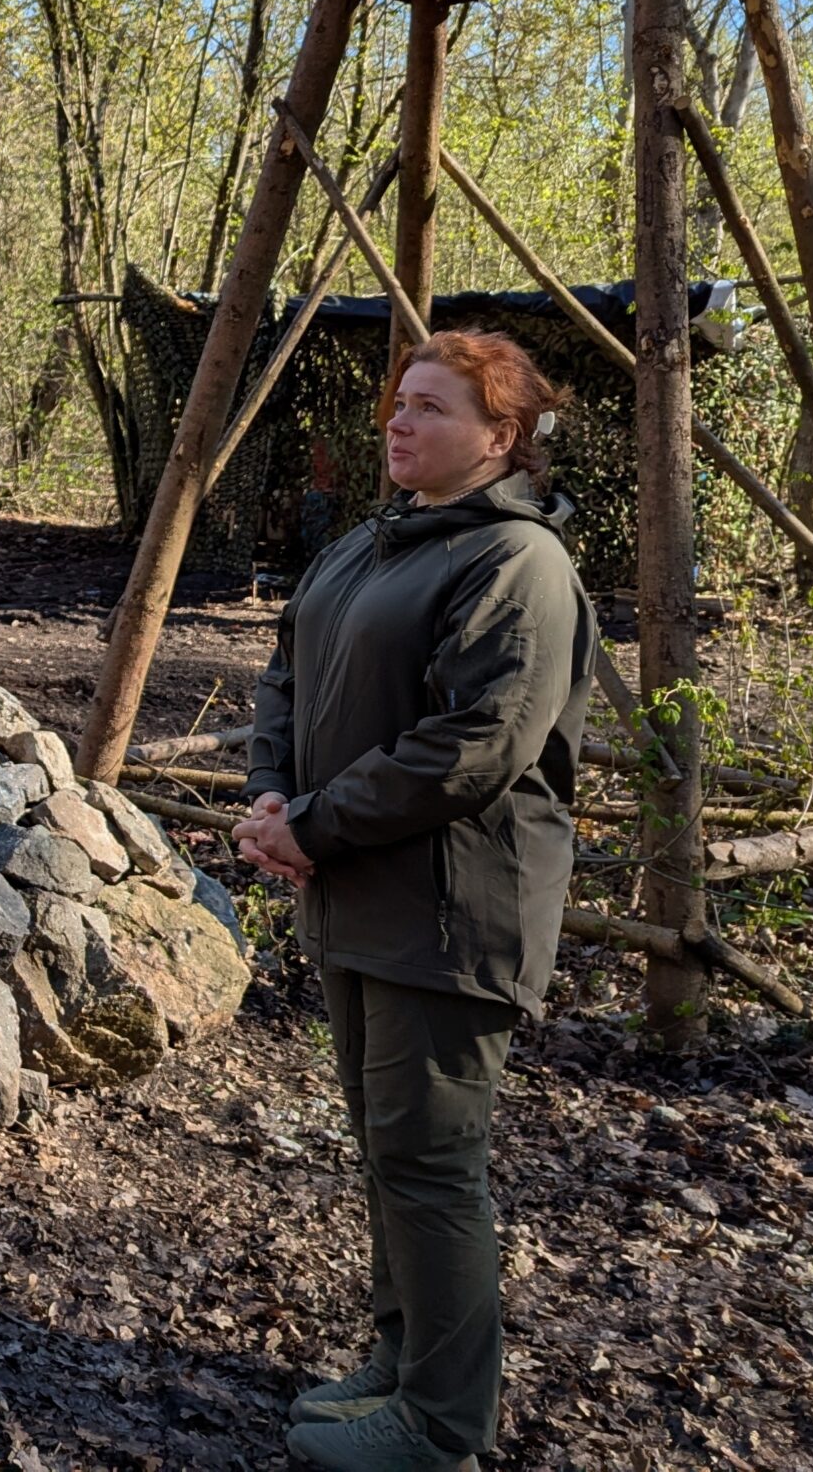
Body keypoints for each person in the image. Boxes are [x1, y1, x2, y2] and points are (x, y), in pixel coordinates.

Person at [234, 330, 597, 1471]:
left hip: (452, 912)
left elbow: (475, 744)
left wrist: (313, 823)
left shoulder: (515, 562)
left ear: (500, 438)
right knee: (387, 1147)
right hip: (356, 895)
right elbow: (286, 673)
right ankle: (401, 1364)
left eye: (432, 408)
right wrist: (270, 794)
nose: (399, 421)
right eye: (400, 401)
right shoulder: (370, 541)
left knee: (432, 1162)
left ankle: (441, 1425)